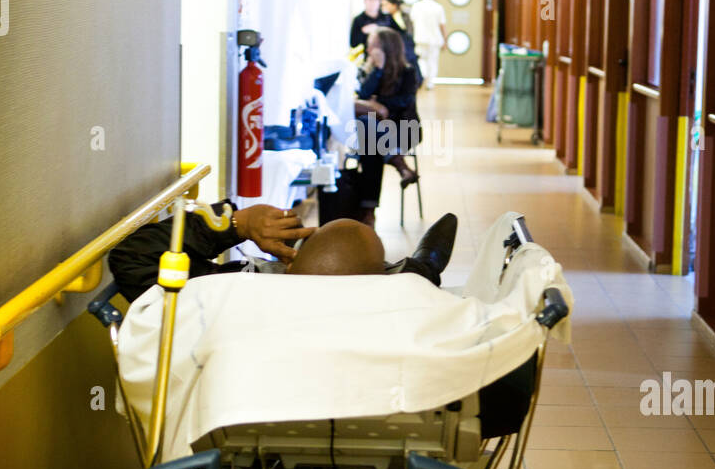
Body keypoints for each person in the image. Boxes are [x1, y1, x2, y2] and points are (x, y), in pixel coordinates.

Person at [109, 201, 458, 303]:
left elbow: (132, 257)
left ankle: (418, 271)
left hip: (245, 428)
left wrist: (236, 225)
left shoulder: (228, 294)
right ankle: (422, 271)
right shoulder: (396, 313)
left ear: (288, 269)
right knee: (415, 287)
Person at [354, 27, 421, 225]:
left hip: (404, 130)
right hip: (378, 133)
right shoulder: (370, 70)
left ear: (386, 48)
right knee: (370, 136)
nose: (368, 50)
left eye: (373, 46)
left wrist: (379, 103)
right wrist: (379, 70)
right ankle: (400, 165)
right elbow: (364, 96)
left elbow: (404, 102)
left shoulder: (408, 72)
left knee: (370, 140)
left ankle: (368, 212)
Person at [382, 0, 422, 86]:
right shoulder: (386, 17)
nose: (383, 7)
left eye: (386, 4)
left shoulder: (404, 16)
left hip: (406, 47)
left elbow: (408, 31)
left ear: (394, 5)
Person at [409, 0, 446, 89]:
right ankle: (430, 83)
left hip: (420, 38)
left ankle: (422, 77)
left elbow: (412, 22)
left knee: (421, 60)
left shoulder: (417, 6)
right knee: (432, 62)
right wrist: (445, 40)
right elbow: (442, 25)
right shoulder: (438, 7)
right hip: (435, 40)